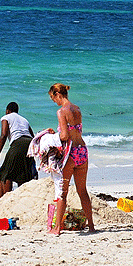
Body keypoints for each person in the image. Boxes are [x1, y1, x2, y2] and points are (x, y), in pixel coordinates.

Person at [47, 83, 94, 235]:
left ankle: (57, 228)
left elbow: (65, 136)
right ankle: (91, 226)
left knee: (62, 192)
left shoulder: (61, 112)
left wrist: (51, 136)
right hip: (82, 151)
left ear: (58, 95)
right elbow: (75, 131)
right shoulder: (77, 109)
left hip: (70, 154)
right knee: (82, 191)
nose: (54, 102)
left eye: (53, 98)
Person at [0, 102, 37, 196]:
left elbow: (3, 135)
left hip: (18, 142)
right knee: (23, 173)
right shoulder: (24, 120)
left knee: (6, 171)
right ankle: (22, 196)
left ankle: (7, 197)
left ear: (7, 110)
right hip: (29, 143)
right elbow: (32, 136)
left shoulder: (6, 117)